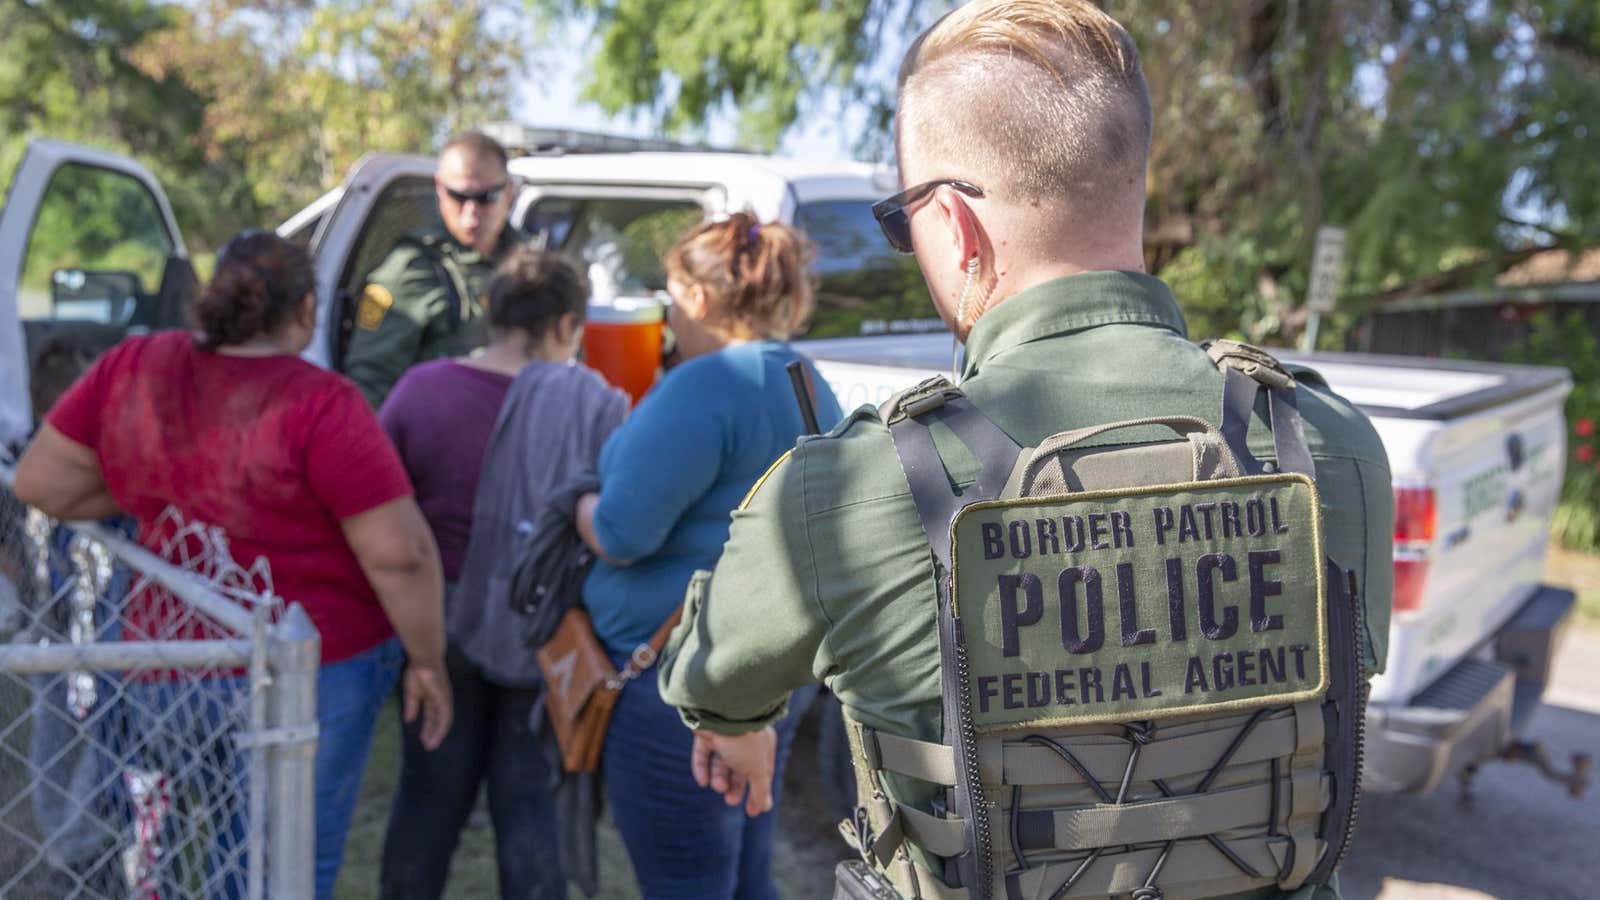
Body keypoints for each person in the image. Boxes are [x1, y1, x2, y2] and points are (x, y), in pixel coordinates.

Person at [657, 3, 1393, 899]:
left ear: (956, 229)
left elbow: (712, 677)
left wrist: (737, 726)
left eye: (902, 223)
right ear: (1132, 188)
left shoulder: (850, 488)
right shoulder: (1331, 447)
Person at [13, 230, 453, 900]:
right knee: (282, 867)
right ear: (307, 309)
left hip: (171, 667)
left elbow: (42, 480)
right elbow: (401, 554)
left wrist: (155, 487)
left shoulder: (136, 364)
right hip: (308, 673)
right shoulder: (321, 402)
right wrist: (428, 660)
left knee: (216, 854)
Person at [572, 213, 843, 900]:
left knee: (688, 881)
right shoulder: (805, 379)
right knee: (746, 873)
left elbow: (623, 531)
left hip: (677, 683)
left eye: (669, 297)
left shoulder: (704, 383)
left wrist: (576, 507)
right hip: (769, 676)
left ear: (696, 296)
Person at [378, 247, 628, 900]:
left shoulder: (420, 390)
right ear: (568, 325)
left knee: (426, 804)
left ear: (492, 313)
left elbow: (382, 515)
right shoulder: (594, 404)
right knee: (531, 814)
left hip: (438, 624)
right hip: (545, 630)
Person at [344, 130, 523, 408]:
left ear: (509, 193)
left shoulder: (531, 266)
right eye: (458, 196)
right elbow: (370, 385)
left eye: (486, 197)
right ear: (440, 188)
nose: (471, 213)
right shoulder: (410, 271)